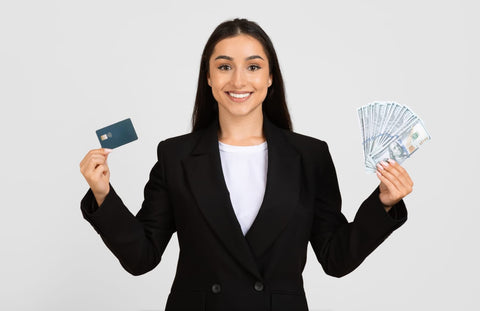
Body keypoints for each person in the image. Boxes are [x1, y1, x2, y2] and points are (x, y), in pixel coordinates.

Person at [79, 18, 413, 311]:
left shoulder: (310, 156)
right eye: (224, 66)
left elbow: (336, 258)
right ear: (208, 77)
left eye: (253, 67)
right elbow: (141, 257)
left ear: (270, 78)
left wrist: (383, 206)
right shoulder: (175, 156)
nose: (238, 81)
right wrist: (103, 196)